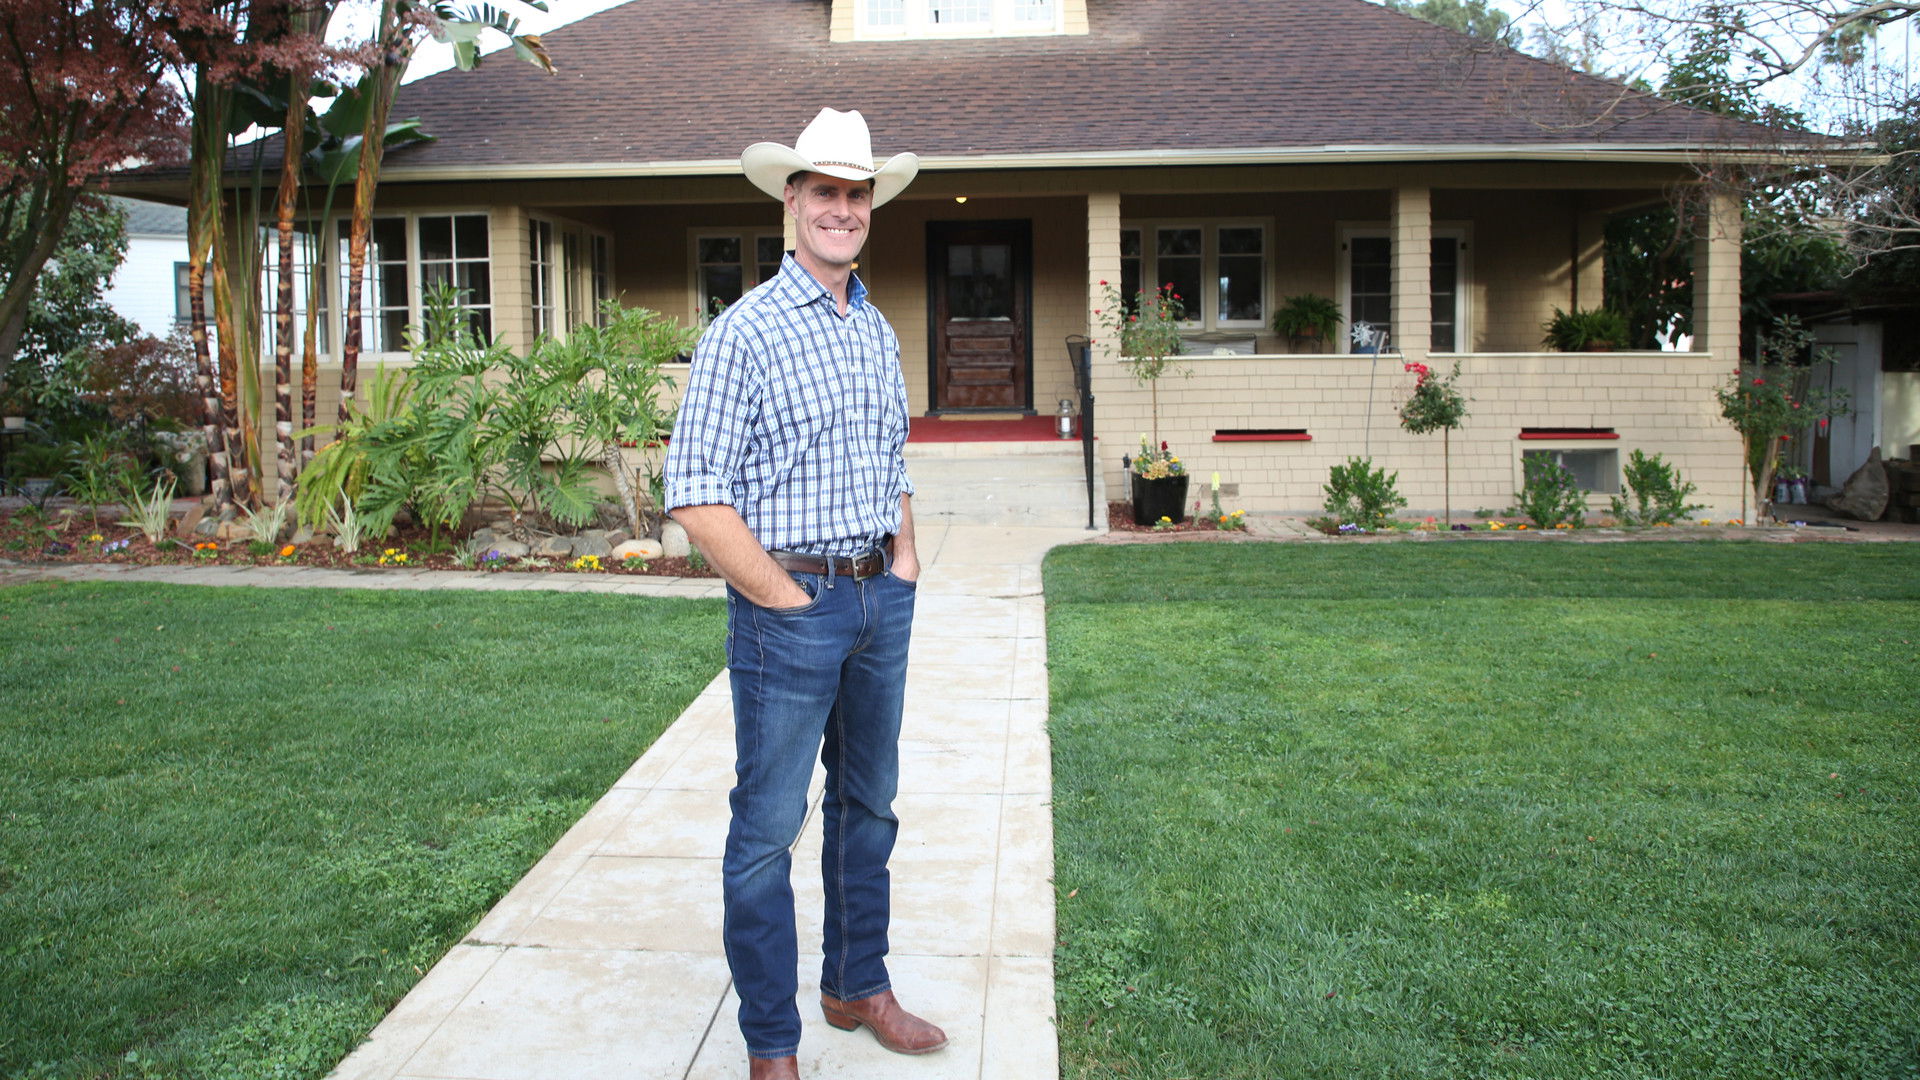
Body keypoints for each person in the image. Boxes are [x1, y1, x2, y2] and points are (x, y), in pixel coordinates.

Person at [663, 107, 947, 1080]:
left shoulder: (875, 328)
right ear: (791, 201)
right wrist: (786, 600)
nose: (842, 208)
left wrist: (904, 560)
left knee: (868, 809)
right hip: (790, 614)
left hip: (879, 604)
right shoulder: (744, 333)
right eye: (825, 190)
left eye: (856, 193)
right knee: (766, 833)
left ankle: (856, 986)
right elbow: (694, 493)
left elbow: (891, 456)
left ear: (872, 205)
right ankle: (771, 1048)